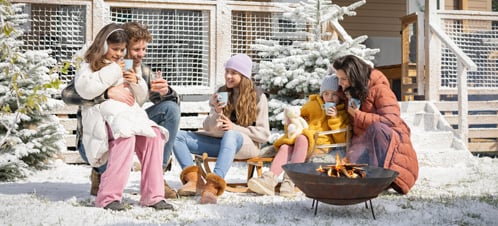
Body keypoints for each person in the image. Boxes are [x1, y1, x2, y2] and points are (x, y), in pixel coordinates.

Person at [62, 22, 180, 199]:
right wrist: (107, 93)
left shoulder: (140, 70)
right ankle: (101, 174)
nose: (141, 54)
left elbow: (170, 101)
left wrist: (166, 92)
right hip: (98, 136)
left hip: (129, 125)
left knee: (170, 109)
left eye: (144, 49)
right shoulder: (97, 66)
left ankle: (157, 175)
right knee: (122, 136)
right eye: (136, 50)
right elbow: (67, 94)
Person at [172, 53, 270, 204]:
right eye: (227, 71)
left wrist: (235, 128)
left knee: (231, 134)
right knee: (177, 136)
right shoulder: (222, 93)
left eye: (234, 73)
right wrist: (216, 113)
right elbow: (208, 127)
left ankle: (212, 186)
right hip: (220, 143)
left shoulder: (258, 97)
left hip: (246, 145)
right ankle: (194, 181)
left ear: (243, 75)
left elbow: (263, 135)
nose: (228, 76)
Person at [247, 75, 350, 196]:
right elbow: (296, 118)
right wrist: (292, 122)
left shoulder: (342, 112)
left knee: (301, 138)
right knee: (286, 146)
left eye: (334, 95)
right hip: (301, 142)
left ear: (340, 96)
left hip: (320, 146)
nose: (329, 98)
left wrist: (334, 118)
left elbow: (342, 138)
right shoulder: (313, 105)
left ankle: (290, 180)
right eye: (326, 94)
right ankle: (269, 179)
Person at [332, 54, 418, 194]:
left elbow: (391, 120)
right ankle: (371, 179)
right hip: (369, 148)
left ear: (354, 77)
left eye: (343, 79)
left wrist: (358, 115)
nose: (340, 83)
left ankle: (379, 180)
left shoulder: (381, 90)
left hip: (392, 145)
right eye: (338, 79)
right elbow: (360, 135)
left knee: (376, 128)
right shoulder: (352, 93)